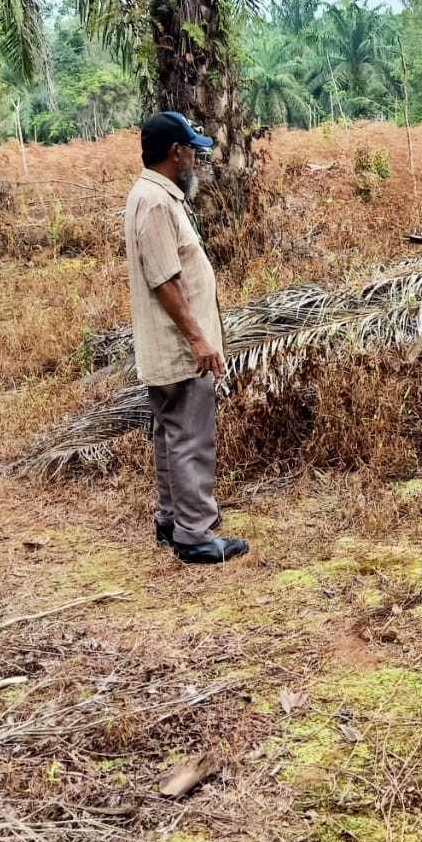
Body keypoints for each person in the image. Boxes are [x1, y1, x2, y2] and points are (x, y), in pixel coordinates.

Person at [124, 111, 247, 564]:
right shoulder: (156, 202)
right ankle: (194, 535)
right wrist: (198, 339)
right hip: (179, 348)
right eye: (193, 149)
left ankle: (171, 519)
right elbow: (165, 281)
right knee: (191, 436)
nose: (197, 157)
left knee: (171, 435)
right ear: (175, 153)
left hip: (168, 344)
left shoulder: (153, 195)